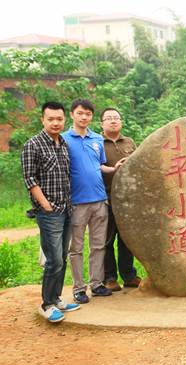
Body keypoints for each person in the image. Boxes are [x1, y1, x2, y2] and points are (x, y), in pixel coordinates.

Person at [21, 101, 81, 322]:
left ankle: (56, 299)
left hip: (66, 208)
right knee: (53, 260)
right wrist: (45, 205)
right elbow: (30, 179)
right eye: (51, 119)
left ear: (64, 120)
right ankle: (47, 304)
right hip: (49, 212)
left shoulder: (63, 144)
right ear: (42, 120)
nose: (55, 123)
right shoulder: (33, 144)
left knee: (62, 257)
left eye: (59, 119)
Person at [63, 99, 124, 304]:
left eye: (88, 114)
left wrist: (113, 169)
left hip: (100, 200)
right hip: (76, 201)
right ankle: (79, 288)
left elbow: (99, 165)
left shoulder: (97, 139)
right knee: (76, 248)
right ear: (72, 114)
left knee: (99, 246)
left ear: (91, 117)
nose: (84, 117)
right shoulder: (63, 140)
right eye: (80, 113)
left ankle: (96, 284)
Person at [100, 108, 141, 292]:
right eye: (108, 118)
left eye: (116, 118)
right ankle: (109, 278)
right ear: (102, 123)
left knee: (126, 239)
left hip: (127, 200)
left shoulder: (129, 142)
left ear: (121, 121)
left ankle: (129, 275)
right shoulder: (97, 143)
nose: (113, 121)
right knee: (107, 240)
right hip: (106, 199)